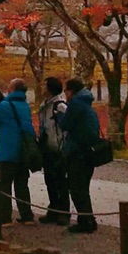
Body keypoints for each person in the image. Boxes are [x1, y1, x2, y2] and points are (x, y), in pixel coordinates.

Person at [0, 82, 36, 223]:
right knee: (22, 185)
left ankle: (4, 218)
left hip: (7, 151)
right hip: (23, 151)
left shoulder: (5, 107)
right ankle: (27, 215)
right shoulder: (24, 105)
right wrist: (3, 100)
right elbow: (11, 112)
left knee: (4, 185)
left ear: (13, 89)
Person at [60, 77, 100, 233]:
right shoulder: (85, 104)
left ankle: (86, 221)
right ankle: (87, 218)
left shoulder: (75, 105)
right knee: (82, 187)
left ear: (71, 91)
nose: (65, 95)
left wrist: (59, 116)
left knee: (77, 187)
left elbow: (66, 124)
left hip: (78, 151)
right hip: (88, 150)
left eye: (66, 91)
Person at [36, 76, 71, 225]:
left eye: (45, 86)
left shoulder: (59, 105)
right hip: (47, 146)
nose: (42, 88)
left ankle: (63, 212)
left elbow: (66, 127)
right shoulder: (45, 105)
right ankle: (53, 209)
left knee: (60, 181)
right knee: (49, 180)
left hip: (58, 147)